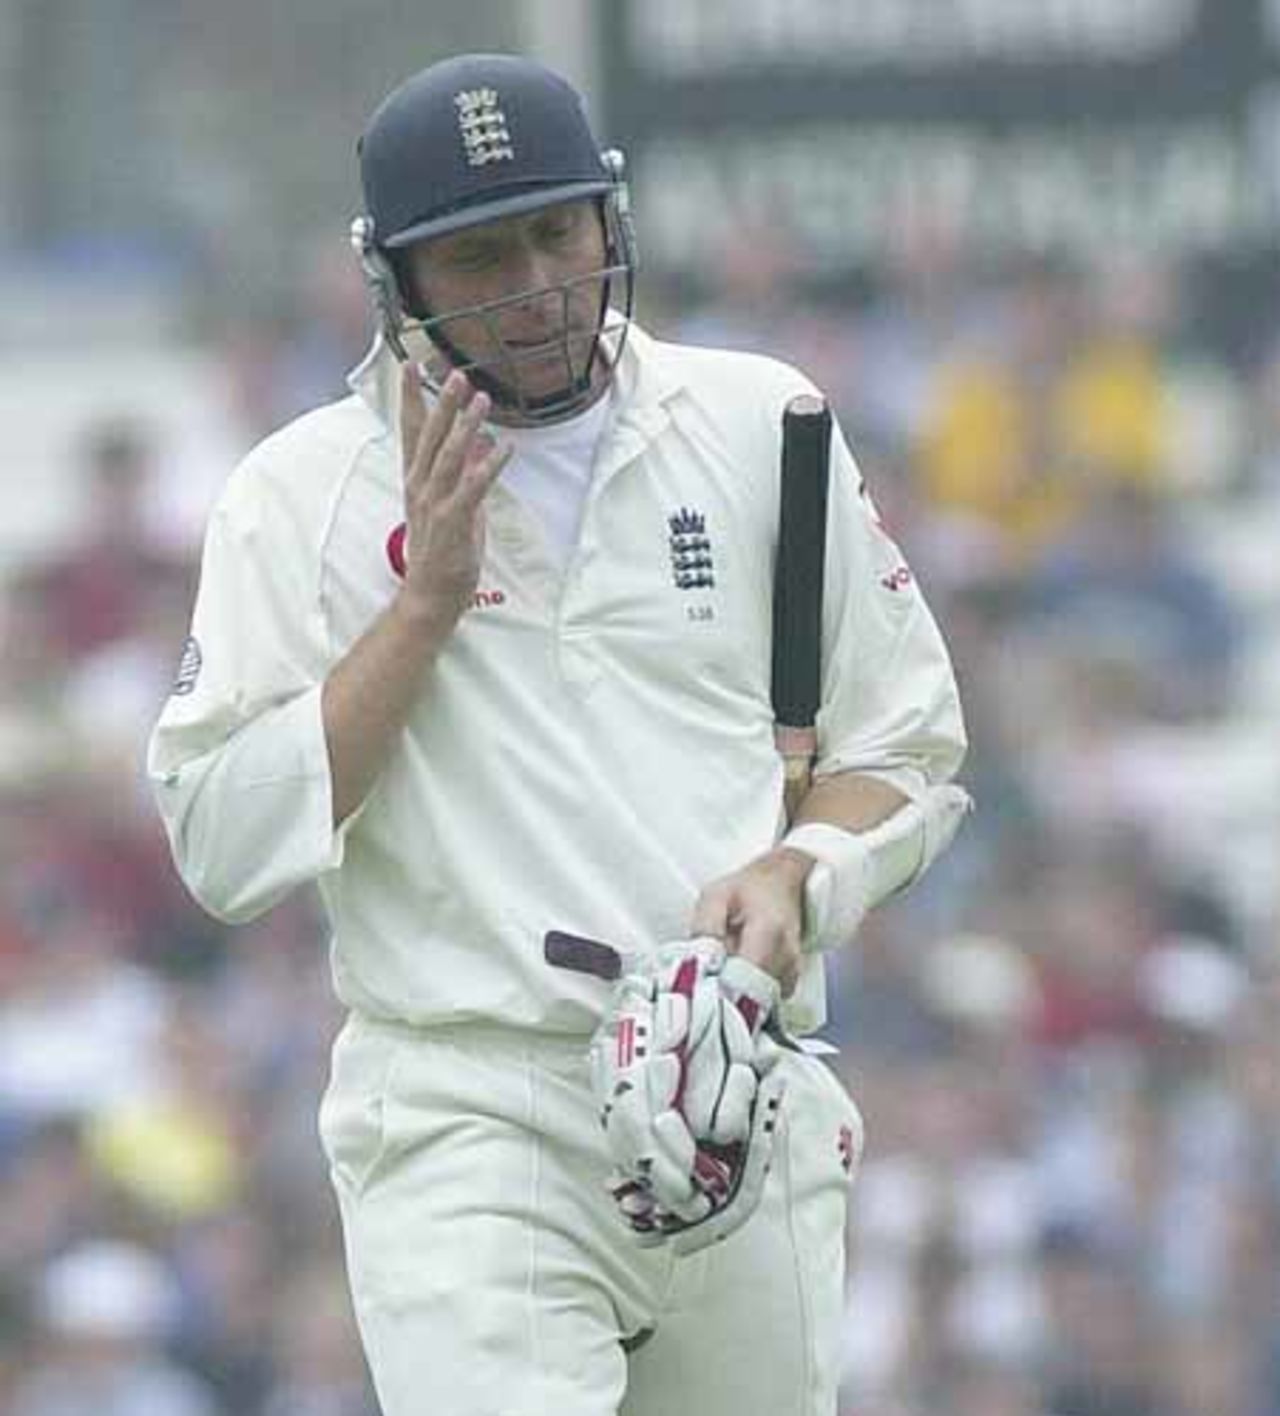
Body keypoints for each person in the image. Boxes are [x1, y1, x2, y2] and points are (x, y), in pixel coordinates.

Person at [148, 52, 967, 1416]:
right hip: (476, 1109)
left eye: (555, 231)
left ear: (610, 220)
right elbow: (224, 843)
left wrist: (796, 877)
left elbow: (911, 752)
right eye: (476, 256)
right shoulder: (296, 499)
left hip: (732, 1086)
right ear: (394, 278)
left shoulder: (764, 424)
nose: (533, 287)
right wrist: (424, 610)